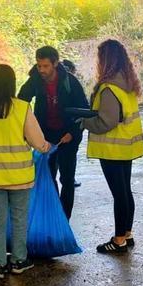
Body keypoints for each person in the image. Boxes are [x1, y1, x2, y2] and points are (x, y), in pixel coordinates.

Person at [0, 64, 51, 280]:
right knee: (19, 218)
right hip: (18, 175)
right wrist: (46, 147)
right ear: (12, 83)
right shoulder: (21, 107)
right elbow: (37, 140)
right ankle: (19, 260)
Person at [79, 39, 143, 254]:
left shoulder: (109, 88)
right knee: (125, 191)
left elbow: (106, 122)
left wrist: (83, 122)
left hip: (112, 149)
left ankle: (118, 241)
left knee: (119, 194)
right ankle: (126, 233)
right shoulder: (127, 84)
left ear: (105, 60)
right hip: (126, 147)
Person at [18, 46, 88, 218]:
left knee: (67, 179)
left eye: (45, 66)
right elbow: (20, 102)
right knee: (48, 179)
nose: (41, 70)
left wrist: (73, 132)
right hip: (45, 137)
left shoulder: (70, 81)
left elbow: (83, 110)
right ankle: (54, 215)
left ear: (55, 63)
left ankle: (65, 218)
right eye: (39, 65)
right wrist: (29, 130)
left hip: (67, 138)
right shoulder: (35, 80)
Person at [60, 59, 83, 189]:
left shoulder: (69, 81)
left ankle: (67, 180)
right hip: (69, 131)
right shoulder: (72, 81)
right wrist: (75, 132)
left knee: (55, 163)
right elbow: (82, 108)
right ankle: (69, 179)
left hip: (59, 133)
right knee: (68, 164)